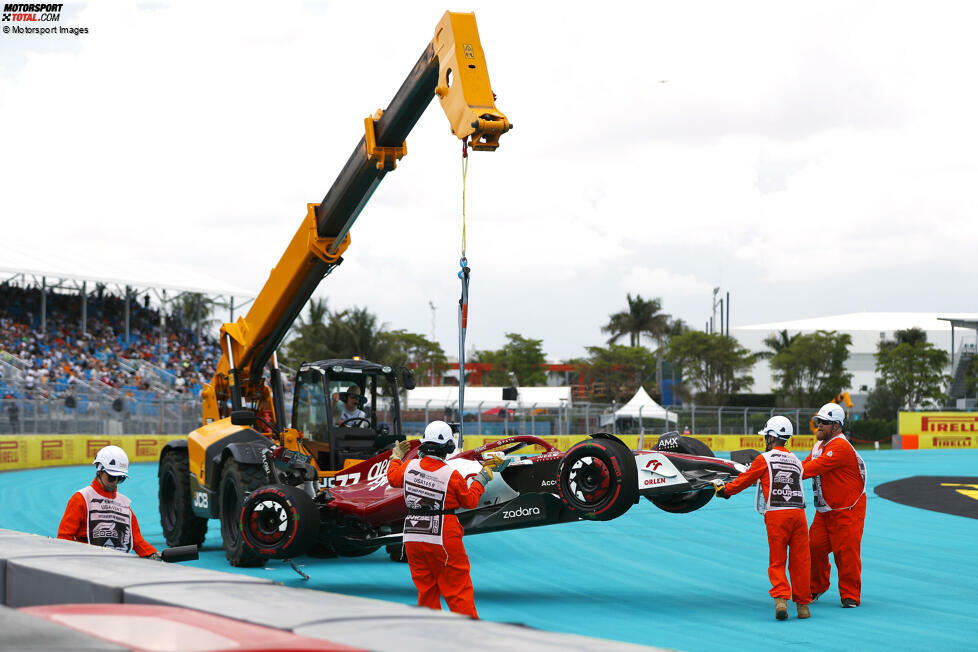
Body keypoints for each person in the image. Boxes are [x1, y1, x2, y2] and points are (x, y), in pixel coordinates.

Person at [386, 421, 503, 618]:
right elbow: (470, 500)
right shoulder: (451, 475)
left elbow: (392, 477)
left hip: (413, 536)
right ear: (449, 448)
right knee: (458, 590)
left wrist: (395, 457)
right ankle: (470, 637)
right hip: (442, 535)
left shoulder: (409, 466)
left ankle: (432, 637)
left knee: (426, 590)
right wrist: (482, 478)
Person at [714, 416, 811, 620]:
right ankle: (803, 607)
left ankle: (781, 601)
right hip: (799, 514)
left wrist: (725, 490)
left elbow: (745, 479)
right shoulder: (796, 460)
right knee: (801, 561)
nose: (764, 440)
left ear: (772, 437)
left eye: (766, 436)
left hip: (777, 514)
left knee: (777, 560)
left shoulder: (764, 459)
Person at [803, 402, 867, 608]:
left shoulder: (840, 446)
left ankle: (850, 595)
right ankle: (817, 586)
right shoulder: (818, 447)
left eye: (824, 422)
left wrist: (776, 469)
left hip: (848, 510)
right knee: (814, 547)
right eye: (818, 421)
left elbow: (810, 469)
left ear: (837, 426)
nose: (819, 425)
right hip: (826, 510)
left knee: (846, 552)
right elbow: (803, 466)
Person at [58, 445, 159, 558]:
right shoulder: (81, 499)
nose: (115, 482)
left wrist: (153, 554)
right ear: (99, 471)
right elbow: (64, 537)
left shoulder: (124, 504)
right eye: (111, 477)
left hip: (118, 566)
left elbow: (136, 540)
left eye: (121, 478)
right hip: (87, 564)